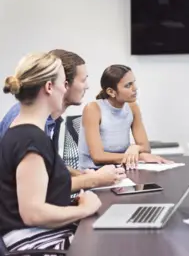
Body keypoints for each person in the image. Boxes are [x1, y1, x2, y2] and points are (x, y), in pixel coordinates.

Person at [0, 52, 101, 252]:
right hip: (31, 240)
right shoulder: (31, 140)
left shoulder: (24, 133)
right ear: (48, 87)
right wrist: (84, 209)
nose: (65, 90)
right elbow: (33, 213)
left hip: (37, 235)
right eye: (64, 84)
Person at [0, 49, 126, 191]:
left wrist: (83, 175)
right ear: (61, 83)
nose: (87, 86)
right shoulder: (27, 126)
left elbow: (46, 166)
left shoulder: (52, 120)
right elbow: (33, 189)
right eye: (83, 80)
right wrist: (93, 180)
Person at [78, 64, 174, 170]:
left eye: (134, 82)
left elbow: (146, 148)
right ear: (111, 92)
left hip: (121, 170)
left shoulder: (133, 107)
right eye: (128, 85)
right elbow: (98, 157)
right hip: (93, 174)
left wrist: (135, 148)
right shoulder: (93, 109)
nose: (135, 88)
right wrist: (139, 157)